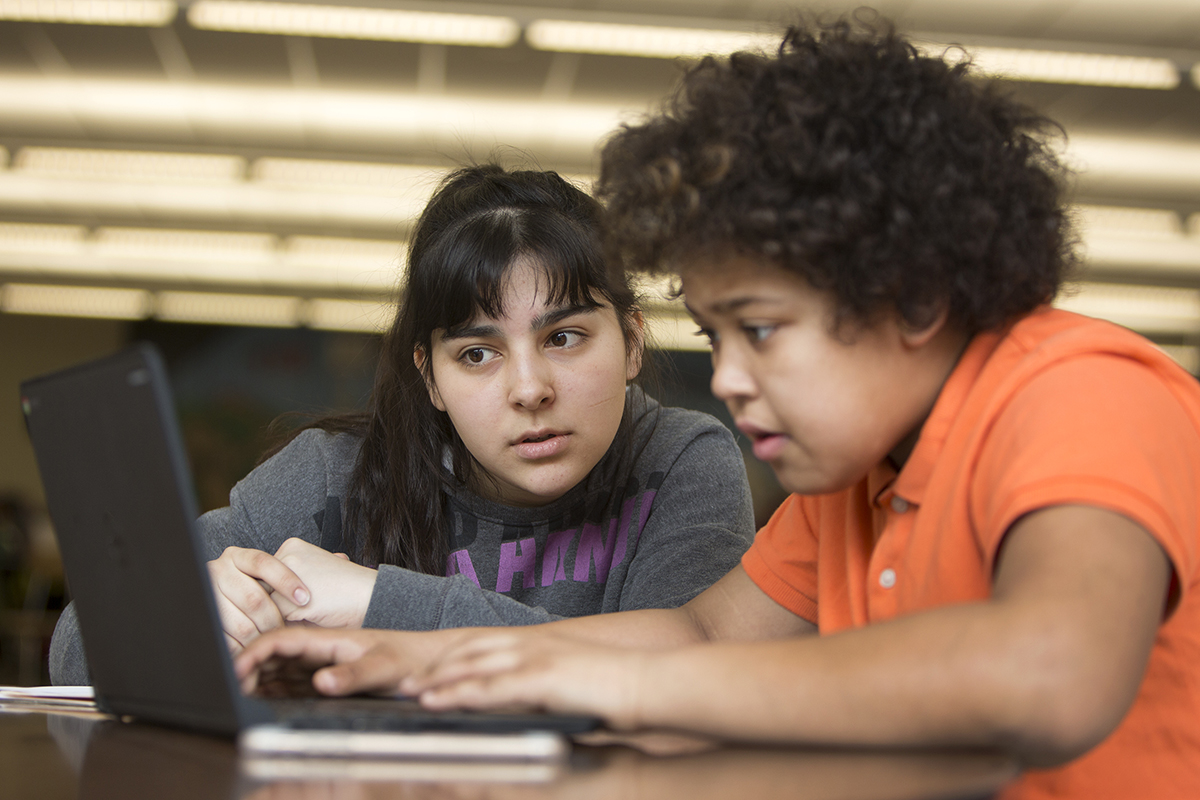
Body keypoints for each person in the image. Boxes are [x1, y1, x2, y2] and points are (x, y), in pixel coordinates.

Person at [233, 18, 1200, 799]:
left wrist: (622, 684)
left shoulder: (1078, 392)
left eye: (763, 329)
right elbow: (699, 637)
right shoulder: (855, 478)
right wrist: (416, 656)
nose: (729, 379)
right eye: (715, 334)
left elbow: (1051, 677)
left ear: (911, 300)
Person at [48, 164, 757, 685]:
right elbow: (77, 641)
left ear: (632, 340)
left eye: (564, 337)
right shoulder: (335, 474)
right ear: (431, 378)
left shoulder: (680, 462)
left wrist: (378, 601)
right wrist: (188, 617)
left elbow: (694, 683)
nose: (530, 388)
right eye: (477, 354)